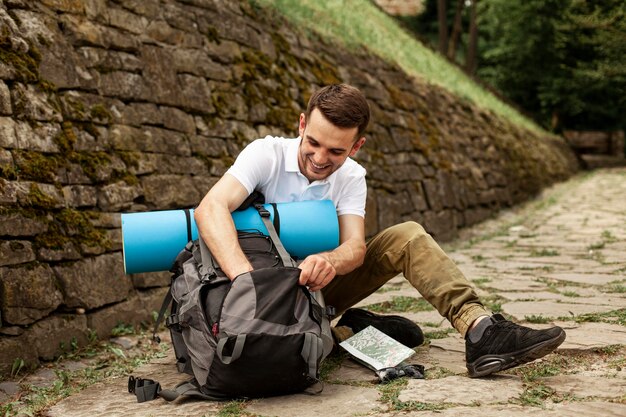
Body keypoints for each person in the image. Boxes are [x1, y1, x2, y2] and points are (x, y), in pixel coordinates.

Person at [194, 84, 566, 378]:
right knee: (285, 356)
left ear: (357, 146)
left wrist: (329, 260)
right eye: (313, 143)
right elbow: (210, 208)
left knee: (406, 235)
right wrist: (249, 282)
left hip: (316, 289)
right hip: (251, 294)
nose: (321, 159)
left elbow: (355, 248)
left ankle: (481, 330)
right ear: (301, 125)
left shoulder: (352, 177)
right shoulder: (266, 155)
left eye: (337, 151)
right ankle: (350, 331)